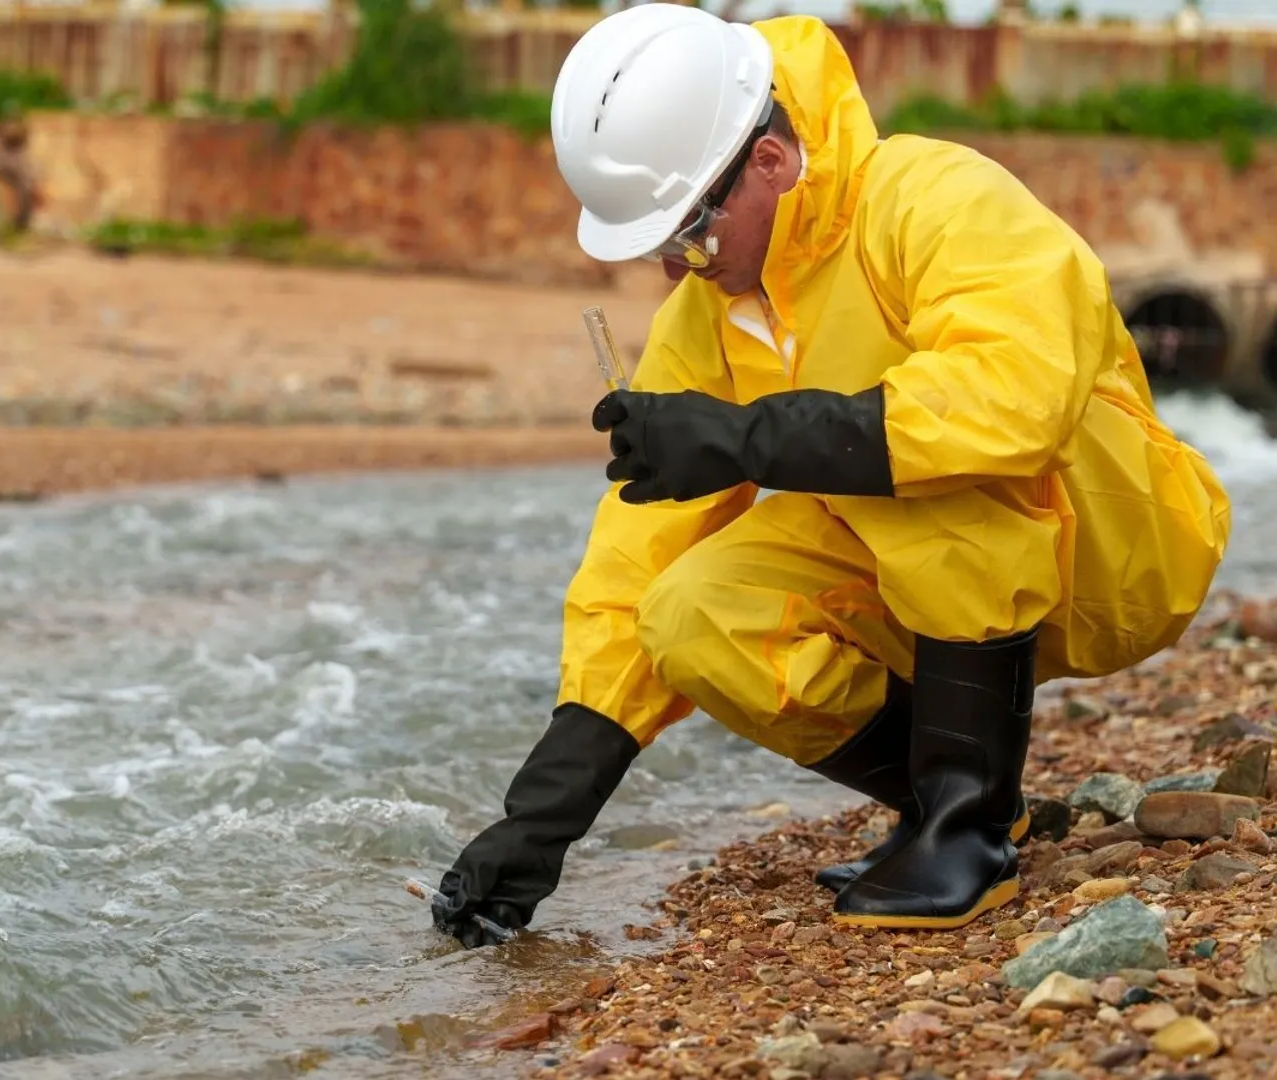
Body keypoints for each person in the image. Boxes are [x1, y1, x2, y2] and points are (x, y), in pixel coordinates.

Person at [429, 8, 1231, 945]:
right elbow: (635, 553)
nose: (676, 267)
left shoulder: (937, 198)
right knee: (691, 612)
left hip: (1117, 552)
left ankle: (966, 833)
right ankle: (952, 799)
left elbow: (1008, 407)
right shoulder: (713, 310)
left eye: (687, 234)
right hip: (941, 581)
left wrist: (747, 437)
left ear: (769, 161)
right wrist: (547, 811)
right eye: (660, 249)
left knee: (930, 474)